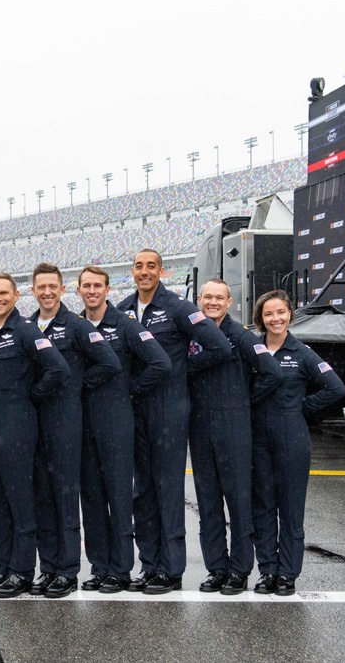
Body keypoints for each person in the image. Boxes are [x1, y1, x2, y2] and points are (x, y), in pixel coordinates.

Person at [116, 249, 232, 594]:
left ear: (161, 271)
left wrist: (180, 371)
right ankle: (150, 565)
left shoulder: (179, 307)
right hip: (136, 409)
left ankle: (172, 569)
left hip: (168, 409)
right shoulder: (123, 310)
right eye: (138, 266)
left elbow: (219, 347)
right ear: (133, 272)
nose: (145, 272)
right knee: (143, 491)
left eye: (151, 266)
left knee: (167, 490)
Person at [0, 273, 69, 599]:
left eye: (4, 293)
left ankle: (22, 571)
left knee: (20, 502)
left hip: (16, 428)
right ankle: (2, 567)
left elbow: (58, 369)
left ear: (16, 296)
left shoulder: (26, 330)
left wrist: (31, 395)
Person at [27, 264, 120, 598]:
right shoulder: (28, 326)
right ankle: (48, 567)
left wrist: (77, 385)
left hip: (66, 422)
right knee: (42, 498)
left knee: (66, 497)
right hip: (34, 423)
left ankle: (67, 570)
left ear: (62, 289)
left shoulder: (77, 326)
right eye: (41, 287)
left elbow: (109, 363)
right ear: (33, 290)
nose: (47, 292)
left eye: (53, 286)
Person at [76, 266, 171, 593]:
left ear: (107, 290)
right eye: (86, 286)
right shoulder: (75, 326)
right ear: (79, 291)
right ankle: (99, 566)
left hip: (116, 420)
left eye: (97, 286)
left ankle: (120, 569)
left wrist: (131, 389)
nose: (92, 291)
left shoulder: (125, 325)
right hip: (82, 421)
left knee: (118, 496)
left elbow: (160, 363)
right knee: (90, 497)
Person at [188, 279, 283, 595]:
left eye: (219, 297)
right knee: (208, 502)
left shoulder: (241, 336)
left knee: (239, 503)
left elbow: (272, 372)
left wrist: (244, 401)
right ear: (199, 299)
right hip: (200, 429)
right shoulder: (194, 335)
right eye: (207, 297)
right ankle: (216, 568)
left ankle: (239, 570)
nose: (212, 302)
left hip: (233, 429)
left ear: (229, 302)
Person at [251, 290, 345, 596]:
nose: (275, 318)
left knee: (291, 509)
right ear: (260, 319)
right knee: (263, 507)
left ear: (290, 315)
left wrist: (302, 408)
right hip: (257, 439)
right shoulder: (253, 350)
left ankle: (288, 574)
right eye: (268, 314)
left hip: (292, 437)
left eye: (280, 312)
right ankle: (267, 570)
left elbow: (335, 388)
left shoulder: (302, 352)